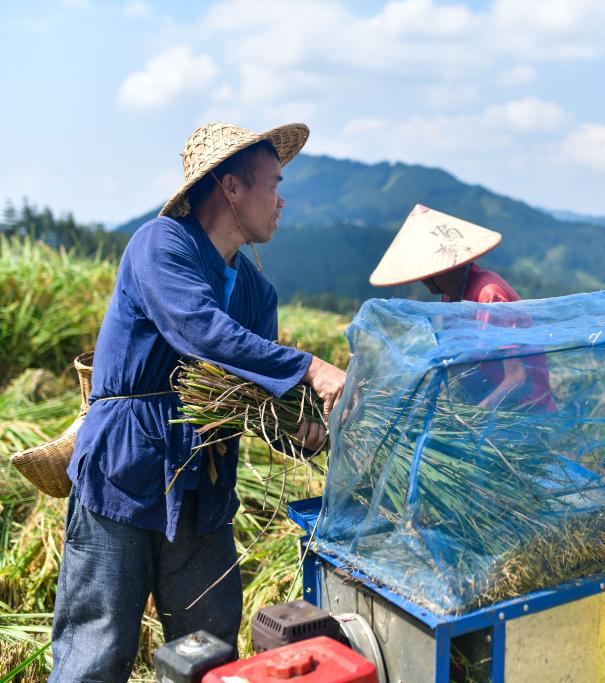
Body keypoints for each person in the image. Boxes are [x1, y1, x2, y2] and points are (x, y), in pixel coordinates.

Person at [49, 122, 347, 681]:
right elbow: (201, 331)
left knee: (207, 650)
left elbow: (253, 395)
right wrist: (309, 366)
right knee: (98, 647)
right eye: (273, 184)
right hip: (125, 473)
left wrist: (300, 431)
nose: (282, 201)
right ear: (230, 187)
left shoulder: (258, 292)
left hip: (205, 484)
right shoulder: (161, 244)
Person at [369, 204, 555, 412]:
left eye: (429, 273)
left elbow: (518, 379)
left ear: (447, 268)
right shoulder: (452, 298)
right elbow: (461, 363)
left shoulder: (490, 295)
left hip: (525, 415)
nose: (424, 282)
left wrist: (476, 415)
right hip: (495, 408)